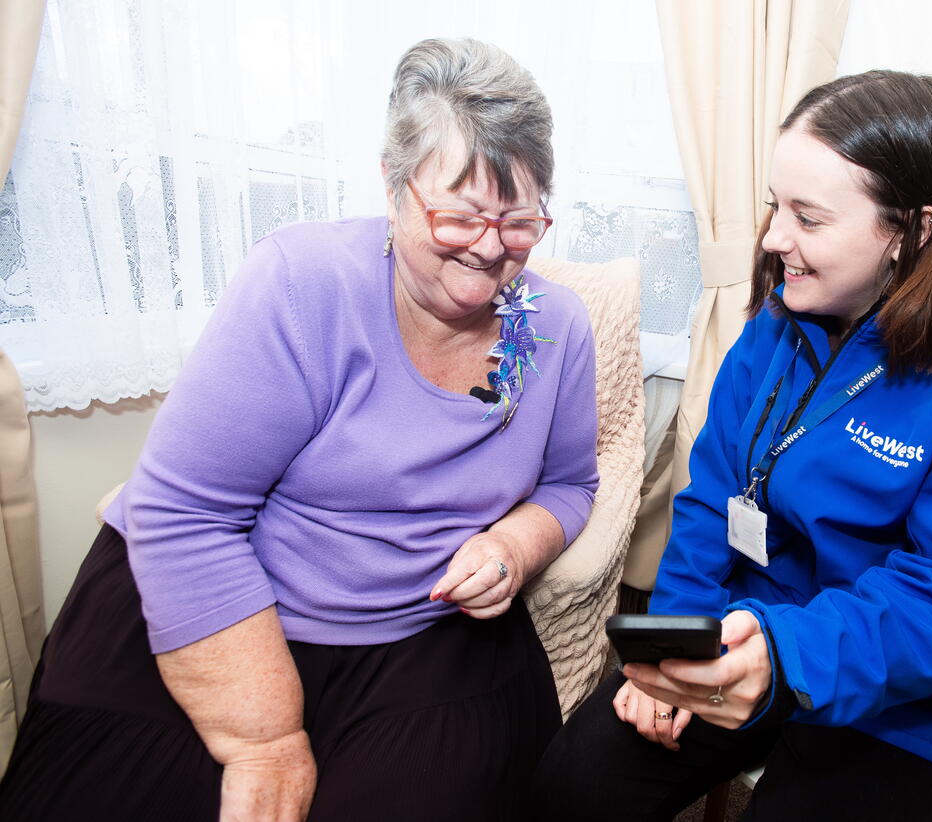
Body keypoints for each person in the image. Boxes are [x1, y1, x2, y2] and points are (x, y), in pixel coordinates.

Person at [0, 38, 597, 822]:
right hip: (222, 601)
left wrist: (512, 546)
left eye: (519, 222)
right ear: (394, 187)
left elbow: (569, 484)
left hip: (422, 627)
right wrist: (264, 738)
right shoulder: (299, 283)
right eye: (459, 217)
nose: (490, 249)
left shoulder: (552, 327)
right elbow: (184, 513)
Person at [534, 70, 932, 821]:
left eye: (809, 219)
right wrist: (673, 649)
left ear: (912, 230)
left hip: (901, 706)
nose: (775, 238)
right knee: (572, 784)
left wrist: (788, 655)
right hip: (740, 641)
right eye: (773, 205)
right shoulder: (776, 324)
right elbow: (713, 497)